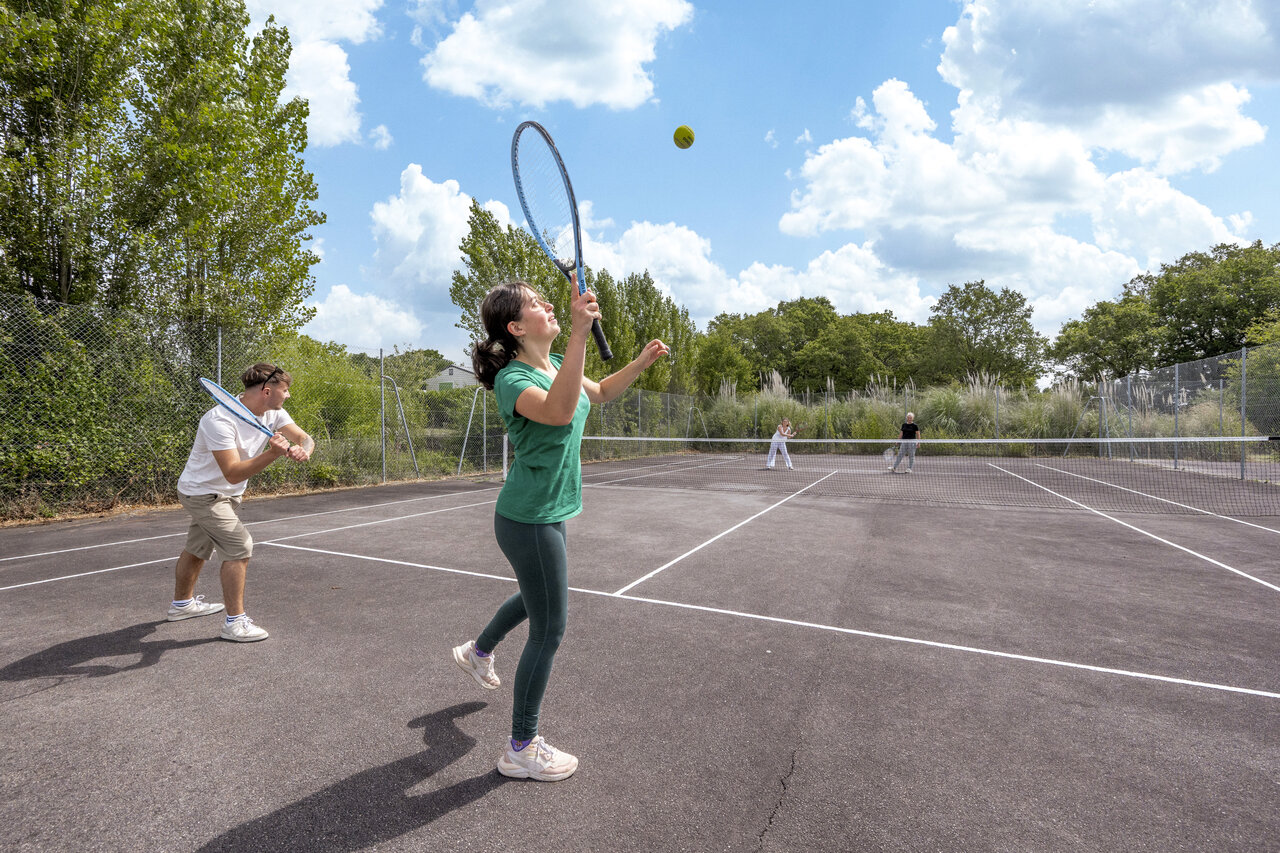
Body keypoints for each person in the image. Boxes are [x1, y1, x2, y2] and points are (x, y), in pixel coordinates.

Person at [452, 279, 668, 782]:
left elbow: (600, 393)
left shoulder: (551, 366)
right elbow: (560, 411)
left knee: (536, 599)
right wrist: (577, 331)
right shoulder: (513, 379)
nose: (548, 304)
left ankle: (476, 651)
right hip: (527, 518)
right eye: (536, 304)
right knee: (550, 628)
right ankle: (521, 749)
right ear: (515, 326)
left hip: (548, 512)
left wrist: (640, 362)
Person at [166, 363, 314, 642]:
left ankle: (182, 605)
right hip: (202, 494)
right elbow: (233, 473)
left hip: (226, 495)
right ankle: (235, 623)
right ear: (267, 391)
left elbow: (304, 437)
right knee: (239, 545)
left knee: (197, 548)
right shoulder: (218, 420)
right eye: (286, 391)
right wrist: (273, 454)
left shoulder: (275, 412)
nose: (288, 396)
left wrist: (302, 450)